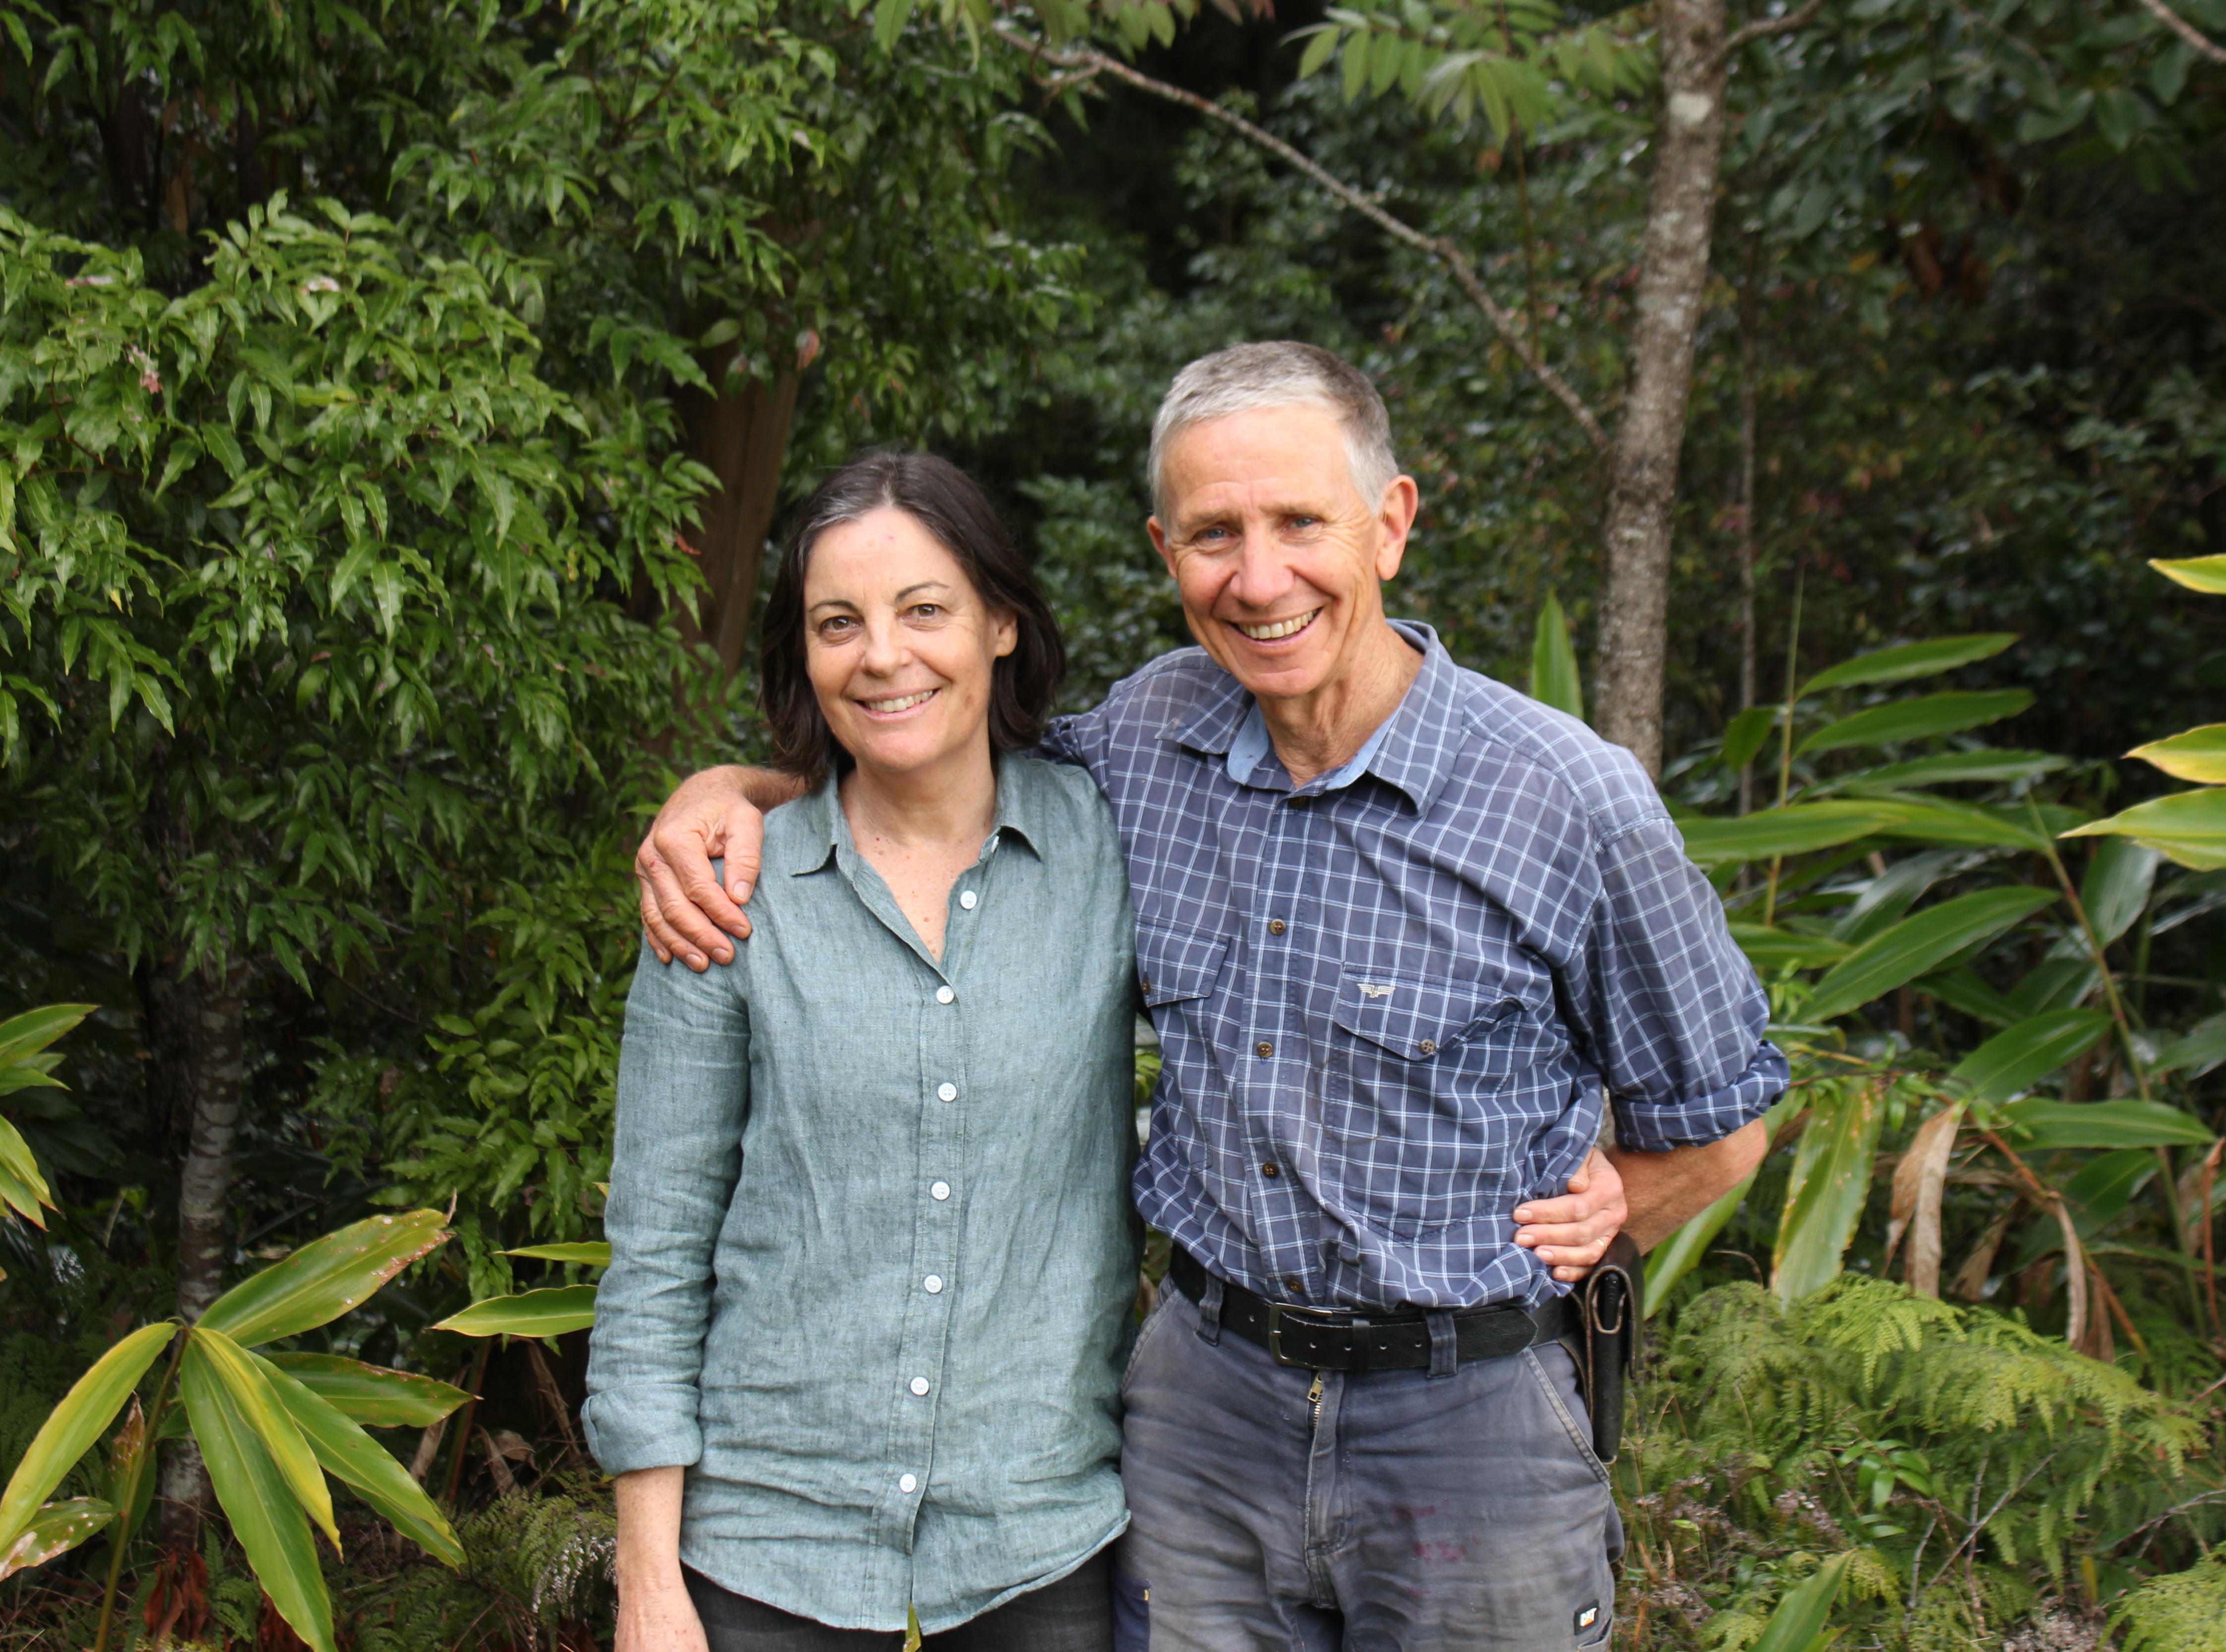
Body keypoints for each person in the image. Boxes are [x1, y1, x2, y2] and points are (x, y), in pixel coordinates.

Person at [636, 343, 1784, 1651]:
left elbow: (1729, 1112)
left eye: (1302, 522)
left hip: (1469, 1417)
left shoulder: (1566, 797)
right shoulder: (1146, 741)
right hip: (1207, 1406)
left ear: (1392, 523)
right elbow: (927, 768)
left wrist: (1633, 1192)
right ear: (1164, 549)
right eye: (1214, 534)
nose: (1259, 575)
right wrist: (734, 791)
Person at [586, 453, 1142, 1652]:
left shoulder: (1114, 847)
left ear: (1002, 621)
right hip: (765, 1543)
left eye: (924, 608)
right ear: (804, 655)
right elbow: (658, 1246)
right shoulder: (727, 890)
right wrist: (648, 1585)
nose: (882, 655)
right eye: (838, 623)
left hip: (1039, 1531)